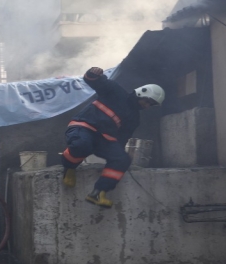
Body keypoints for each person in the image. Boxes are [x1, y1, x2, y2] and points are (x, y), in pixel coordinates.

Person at [61, 67, 165, 208]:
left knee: (122, 159)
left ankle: (98, 193)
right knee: (82, 145)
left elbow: (122, 138)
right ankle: (69, 167)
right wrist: (93, 73)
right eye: (147, 101)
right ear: (141, 92)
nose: (147, 106)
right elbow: (92, 80)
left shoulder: (134, 119)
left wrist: (117, 154)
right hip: (83, 126)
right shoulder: (115, 91)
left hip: (104, 138)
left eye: (150, 105)